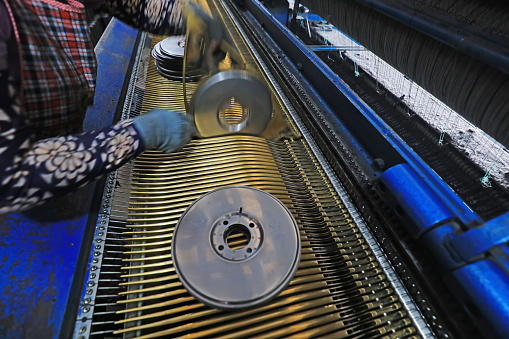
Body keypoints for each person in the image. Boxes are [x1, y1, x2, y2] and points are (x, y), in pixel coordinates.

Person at [0, 0, 202, 214]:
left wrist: (191, 19)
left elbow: (133, 6)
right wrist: (140, 133)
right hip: (31, 194)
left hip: (66, 138)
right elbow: (9, 177)